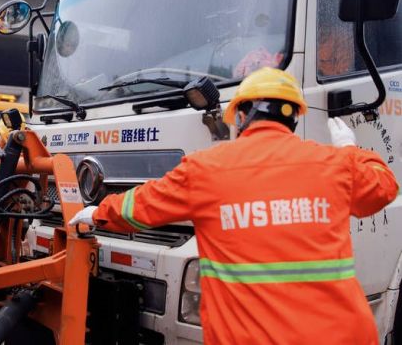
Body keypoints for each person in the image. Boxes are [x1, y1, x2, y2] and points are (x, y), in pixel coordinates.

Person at [69, 67, 398, 344]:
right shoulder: (334, 164)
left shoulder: (206, 168)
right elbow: (384, 187)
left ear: (242, 115)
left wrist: (98, 213)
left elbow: (140, 207)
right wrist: (350, 151)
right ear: (294, 118)